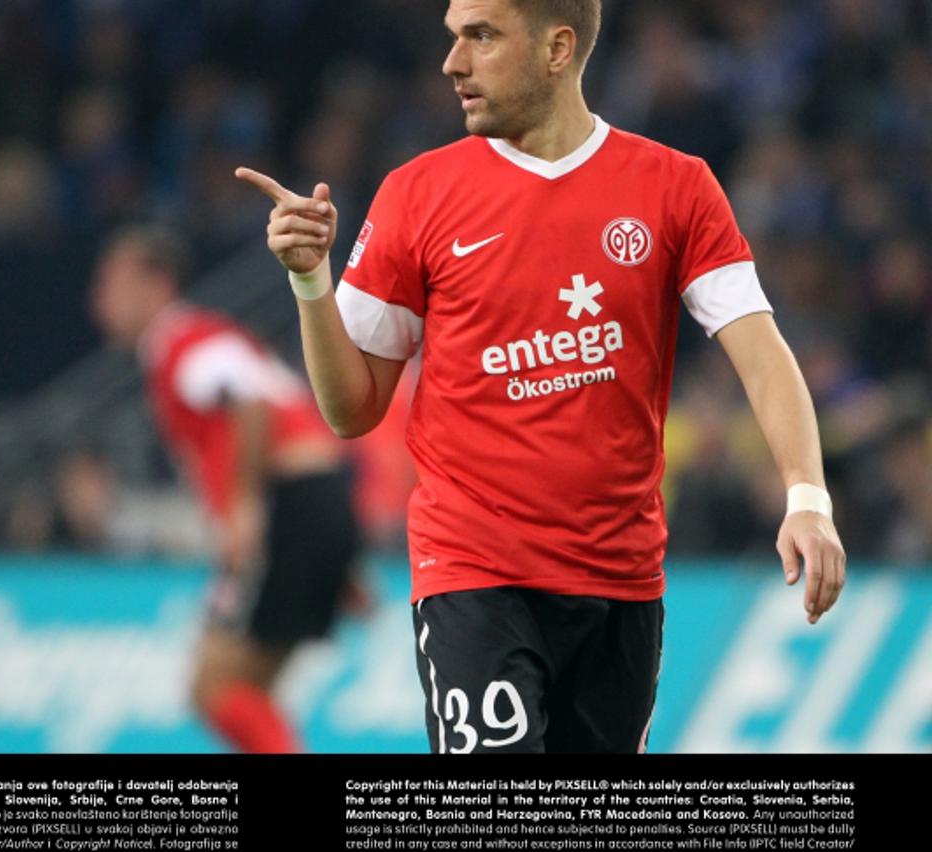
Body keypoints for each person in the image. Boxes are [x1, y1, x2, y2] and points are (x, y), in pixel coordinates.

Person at [236, 0, 845, 753]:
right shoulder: (416, 194)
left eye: (481, 37)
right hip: (473, 571)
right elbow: (351, 409)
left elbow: (761, 352)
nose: (452, 63)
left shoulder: (674, 187)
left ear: (559, 49)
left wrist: (808, 500)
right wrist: (309, 281)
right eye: (453, 38)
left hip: (620, 580)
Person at [90, 226, 362, 753]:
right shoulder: (201, 339)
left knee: (214, 686)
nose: (100, 300)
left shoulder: (181, 340)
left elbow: (248, 399)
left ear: (157, 284)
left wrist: (243, 506)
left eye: (112, 282)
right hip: (316, 505)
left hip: (288, 507)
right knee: (246, 688)